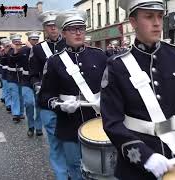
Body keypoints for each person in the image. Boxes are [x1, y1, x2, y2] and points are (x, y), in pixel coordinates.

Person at [101, 0, 175, 179]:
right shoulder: (117, 66)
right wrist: (145, 156)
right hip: (135, 163)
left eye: (160, 16)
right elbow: (112, 123)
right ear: (133, 21)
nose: (157, 23)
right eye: (149, 16)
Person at [38, 9, 107, 180]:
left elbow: (112, 87)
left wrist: (106, 101)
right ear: (63, 33)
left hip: (97, 120)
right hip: (69, 123)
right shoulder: (54, 61)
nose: (78, 32)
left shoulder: (99, 56)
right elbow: (44, 97)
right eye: (72, 29)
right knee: (75, 165)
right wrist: (59, 104)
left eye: (81, 28)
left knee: (102, 166)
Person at [29, 10, 68, 180]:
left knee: (71, 141)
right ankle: (62, 175)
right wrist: (38, 85)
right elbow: (33, 73)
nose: (52, 29)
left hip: (69, 99)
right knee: (55, 141)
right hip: (47, 101)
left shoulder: (69, 45)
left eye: (55, 26)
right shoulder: (38, 50)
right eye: (49, 26)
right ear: (45, 29)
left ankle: (73, 170)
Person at [13, 31, 43, 136]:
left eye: (36, 40)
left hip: (38, 80)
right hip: (26, 80)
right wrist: (16, 51)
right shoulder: (23, 50)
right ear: (29, 40)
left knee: (39, 105)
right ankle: (31, 126)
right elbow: (13, 61)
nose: (35, 42)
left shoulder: (41, 50)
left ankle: (39, 127)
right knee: (29, 103)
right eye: (33, 40)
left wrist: (33, 49)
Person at [7, 34, 24, 123]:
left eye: (19, 41)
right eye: (15, 42)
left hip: (22, 76)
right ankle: (16, 114)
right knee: (15, 96)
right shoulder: (9, 51)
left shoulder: (23, 50)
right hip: (12, 77)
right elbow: (11, 60)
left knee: (21, 96)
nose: (18, 43)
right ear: (12, 43)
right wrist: (15, 50)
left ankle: (21, 113)